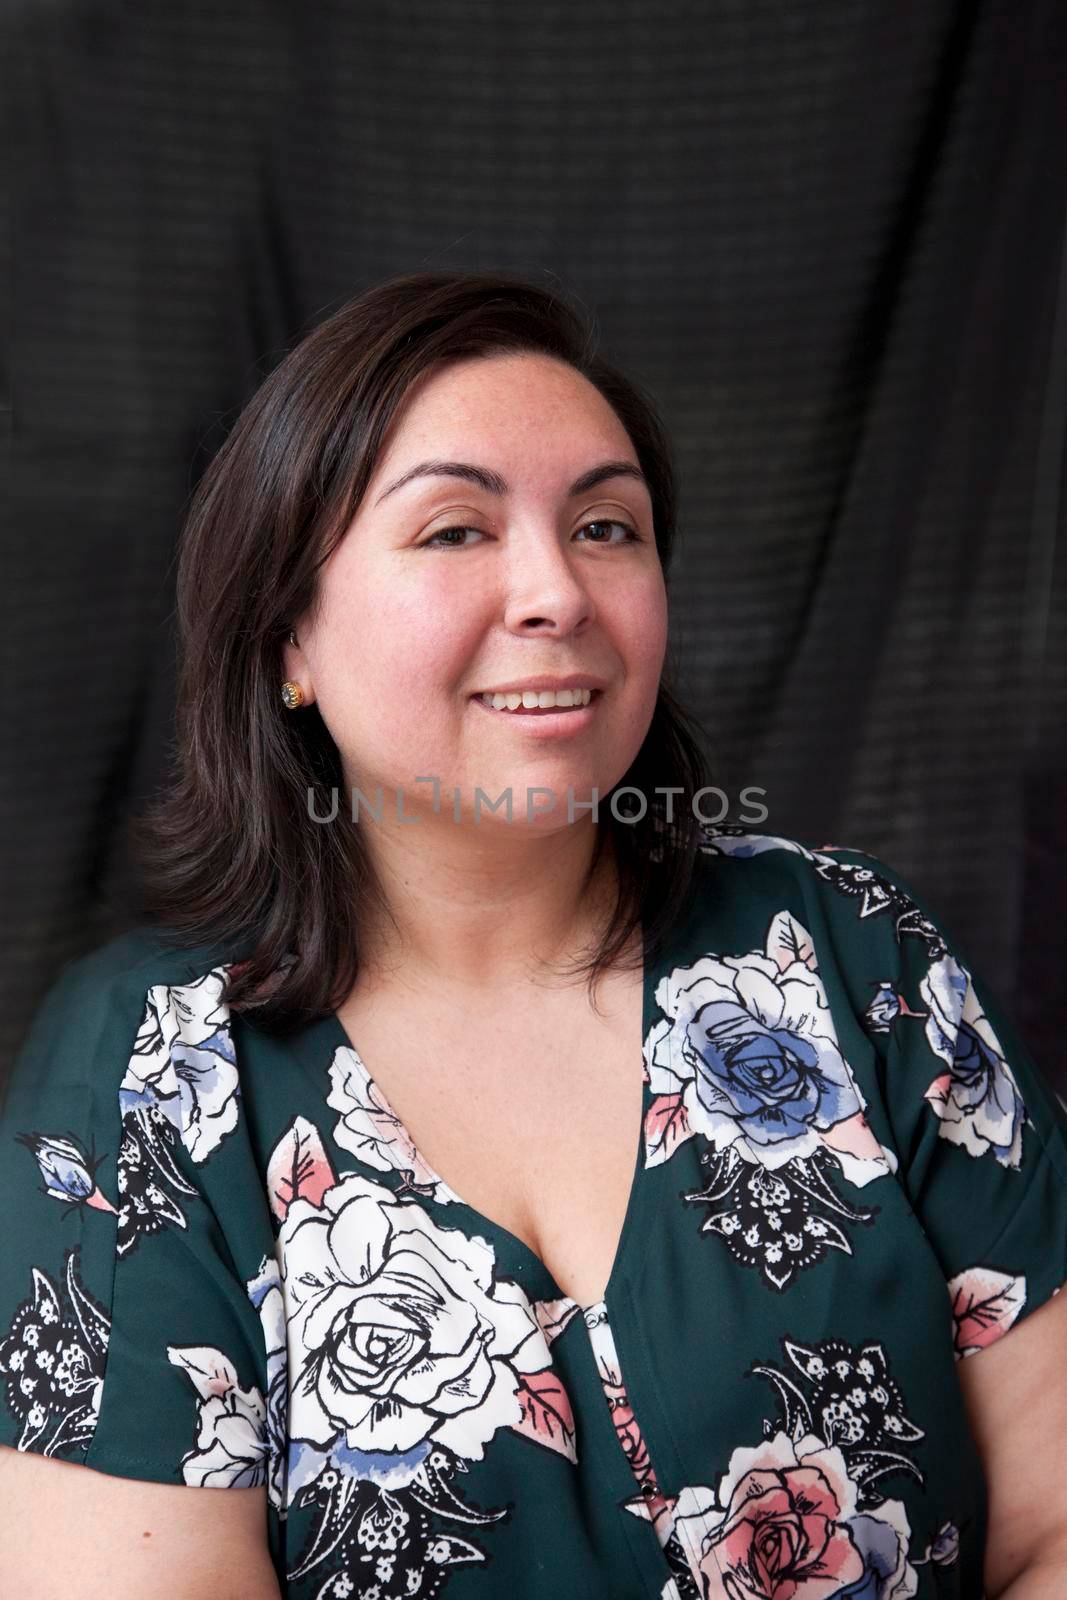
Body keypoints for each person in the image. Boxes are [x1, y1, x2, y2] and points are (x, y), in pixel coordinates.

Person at [1, 271, 1065, 1600]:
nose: (555, 591)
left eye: (608, 526)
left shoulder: (859, 957)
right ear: (287, 641)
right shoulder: (150, 1082)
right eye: (454, 531)